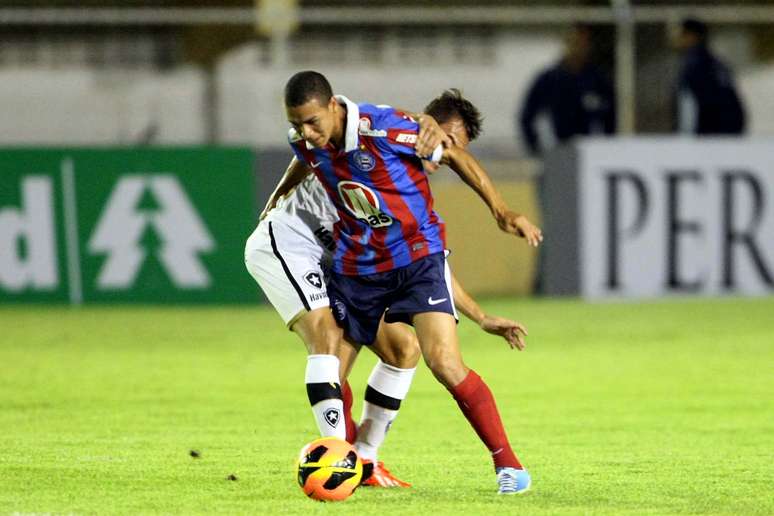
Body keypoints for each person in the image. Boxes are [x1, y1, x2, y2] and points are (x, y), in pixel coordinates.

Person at [246, 89, 533, 488]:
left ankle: (364, 461)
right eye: (439, 138)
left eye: (449, 146)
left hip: (352, 259)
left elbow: (429, 257)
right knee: (329, 348)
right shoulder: (368, 136)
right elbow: (312, 144)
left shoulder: (406, 176)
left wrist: (481, 315)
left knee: (407, 350)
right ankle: (341, 460)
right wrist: (278, 195)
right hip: (300, 246)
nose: (440, 152)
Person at [519, 23, 615, 156]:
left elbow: (612, 116)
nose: (578, 48)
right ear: (566, 44)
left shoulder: (598, 79)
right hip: (559, 150)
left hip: (591, 152)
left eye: (583, 43)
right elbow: (527, 116)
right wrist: (535, 147)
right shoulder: (549, 79)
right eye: (574, 42)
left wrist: (607, 146)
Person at [673, 18, 746, 135]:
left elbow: (690, 105)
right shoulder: (718, 63)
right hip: (730, 130)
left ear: (692, 36)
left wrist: (686, 137)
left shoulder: (694, 65)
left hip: (707, 134)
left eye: (682, 35)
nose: (679, 40)